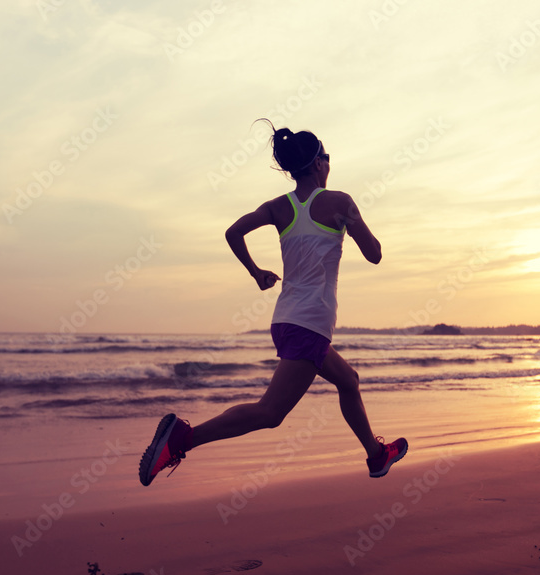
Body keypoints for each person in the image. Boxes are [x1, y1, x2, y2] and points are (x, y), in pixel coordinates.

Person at [139, 121, 407, 486]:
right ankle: (182, 439)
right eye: (327, 158)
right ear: (317, 164)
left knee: (348, 380)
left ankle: (377, 457)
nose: (329, 164)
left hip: (287, 320)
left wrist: (256, 273)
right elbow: (374, 254)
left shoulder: (278, 207)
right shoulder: (340, 202)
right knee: (271, 413)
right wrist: (350, 222)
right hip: (308, 324)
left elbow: (233, 232)